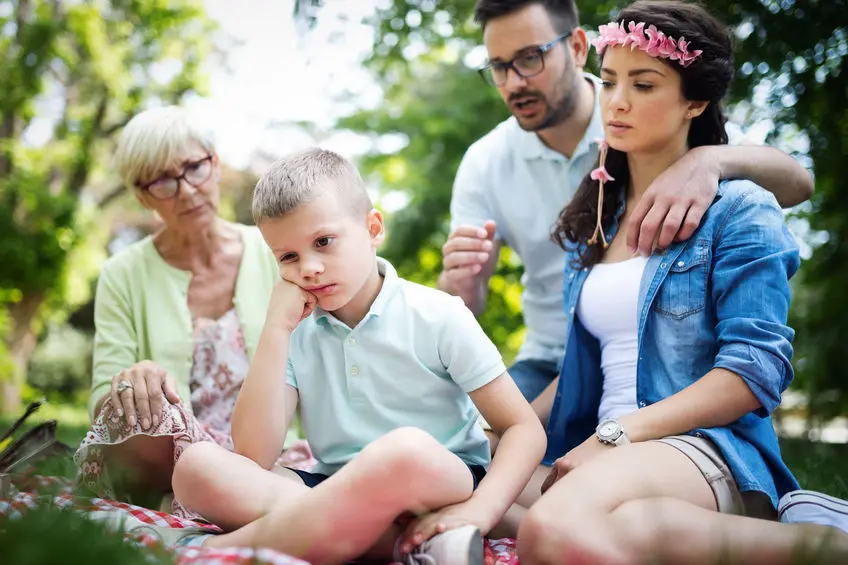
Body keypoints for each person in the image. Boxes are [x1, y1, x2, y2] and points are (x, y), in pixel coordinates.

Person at [510, 2, 848, 564]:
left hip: (702, 451)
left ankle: (813, 539)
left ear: (695, 100)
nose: (616, 101)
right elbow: (581, 369)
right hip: (599, 453)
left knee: (551, 529)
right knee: (457, 480)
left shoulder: (739, 208)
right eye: (611, 80)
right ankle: (804, 545)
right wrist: (499, 423)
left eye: (643, 85)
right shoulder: (594, 223)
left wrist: (616, 434)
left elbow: (752, 374)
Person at [168, 148, 547, 565]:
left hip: (437, 475)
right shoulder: (295, 332)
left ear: (372, 228)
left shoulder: (437, 314)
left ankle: (216, 550)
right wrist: (275, 330)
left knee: (402, 451)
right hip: (332, 484)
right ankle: (399, 541)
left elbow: (523, 429)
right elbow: (255, 455)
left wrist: (483, 508)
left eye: (323, 242)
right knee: (195, 467)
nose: (309, 267)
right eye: (289, 257)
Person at [440, 0, 815, 404]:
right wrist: (462, 283)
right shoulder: (485, 162)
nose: (514, 82)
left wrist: (708, 160)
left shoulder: (646, 118)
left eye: (531, 58)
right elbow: (458, 308)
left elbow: (795, 183)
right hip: (553, 359)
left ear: (578, 47)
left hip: (663, 355)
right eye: (499, 66)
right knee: (473, 451)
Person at [73, 106, 310, 517]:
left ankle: (219, 499)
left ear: (215, 165)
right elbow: (100, 401)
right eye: (163, 180)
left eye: (193, 168)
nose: (186, 190)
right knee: (138, 411)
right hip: (170, 456)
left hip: (264, 449)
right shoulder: (121, 273)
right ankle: (224, 497)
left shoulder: (272, 251)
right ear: (142, 196)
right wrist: (130, 384)